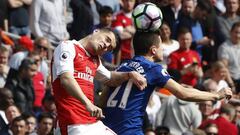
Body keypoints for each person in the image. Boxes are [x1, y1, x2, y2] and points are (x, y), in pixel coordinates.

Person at [101, 31, 232, 135]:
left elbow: (104, 93)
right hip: (129, 129)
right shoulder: (153, 68)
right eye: (161, 46)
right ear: (153, 50)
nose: (163, 49)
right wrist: (216, 95)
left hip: (105, 128)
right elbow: (183, 93)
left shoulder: (123, 66)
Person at [51, 28, 147, 135]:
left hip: (91, 122)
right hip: (72, 123)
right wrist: (88, 104)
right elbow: (66, 79)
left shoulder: (94, 60)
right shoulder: (68, 46)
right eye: (107, 40)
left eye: (109, 48)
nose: (106, 46)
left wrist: (130, 74)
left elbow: (110, 78)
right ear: (96, 31)